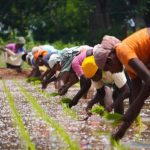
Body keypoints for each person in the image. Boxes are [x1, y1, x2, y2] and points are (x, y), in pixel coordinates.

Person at [93, 28, 150, 140]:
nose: (111, 72)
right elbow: (137, 96)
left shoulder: (122, 51)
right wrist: (121, 131)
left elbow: (148, 81)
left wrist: (131, 110)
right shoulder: (129, 66)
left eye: (108, 69)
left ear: (110, 60)